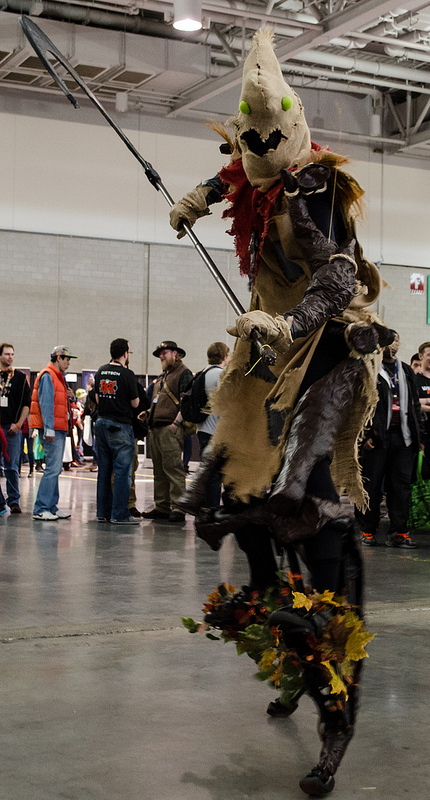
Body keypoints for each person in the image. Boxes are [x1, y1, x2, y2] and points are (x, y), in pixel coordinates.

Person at [169, 30, 393, 796]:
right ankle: (275, 617)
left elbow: (335, 277)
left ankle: (337, 722)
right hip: (262, 344)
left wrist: (290, 326)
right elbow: (232, 174)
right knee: (222, 480)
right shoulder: (250, 171)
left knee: (304, 504)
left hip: (324, 346)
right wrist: (197, 200)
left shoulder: (319, 187)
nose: (257, 154)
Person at [355, 332, 422, 548]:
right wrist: (363, 436)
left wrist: (417, 436)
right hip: (376, 440)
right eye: (387, 341)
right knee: (371, 486)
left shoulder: (406, 371)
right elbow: (358, 405)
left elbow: (415, 405)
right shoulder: (369, 369)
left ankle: (399, 532)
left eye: (395, 341)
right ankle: (367, 530)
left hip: (403, 439)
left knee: (400, 487)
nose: (392, 346)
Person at [142, 341, 192, 523]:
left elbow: (186, 400)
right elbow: (157, 401)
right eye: (160, 353)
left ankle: (178, 507)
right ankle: (162, 506)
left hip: (170, 428)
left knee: (173, 469)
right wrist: (147, 413)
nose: (161, 356)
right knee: (159, 470)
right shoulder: (163, 376)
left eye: (165, 353)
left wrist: (176, 423)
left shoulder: (183, 373)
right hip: (155, 428)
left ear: (175, 354)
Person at [94, 338, 140, 525]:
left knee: (104, 471)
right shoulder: (127, 374)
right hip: (120, 426)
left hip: (101, 424)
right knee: (122, 472)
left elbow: (97, 398)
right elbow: (135, 403)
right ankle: (119, 514)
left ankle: (102, 513)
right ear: (125, 353)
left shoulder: (100, 371)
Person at [30, 346, 76, 520]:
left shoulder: (57, 377)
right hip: (52, 429)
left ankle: (51, 506)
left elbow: (55, 402)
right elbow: (46, 404)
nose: (69, 362)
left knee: (55, 469)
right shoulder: (48, 375)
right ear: (58, 358)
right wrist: (48, 428)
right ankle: (41, 508)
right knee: (52, 469)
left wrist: (68, 396)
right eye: (67, 359)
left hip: (59, 427)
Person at [196, 341, 230, 508]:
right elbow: (227, 405)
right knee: (215, 475)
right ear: (224, 356)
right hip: (215, 431)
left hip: (202, 428)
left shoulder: (203, 373)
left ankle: (204, 509)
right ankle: (212, 509)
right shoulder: (220, 375)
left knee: (206, 473)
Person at [0, 343, 32, 514]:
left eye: (12, 354)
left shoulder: (19, 378)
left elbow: (27, 404)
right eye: (7, 354)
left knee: (12, 466)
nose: (10, 357)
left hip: (12, 428)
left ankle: (14, 500)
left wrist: (19, 424)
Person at [415, 341, 430, 459]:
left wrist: (422, 402)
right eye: (429, 355)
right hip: (423, 432)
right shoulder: (415, 379)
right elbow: (412, 403)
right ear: (421, 356)